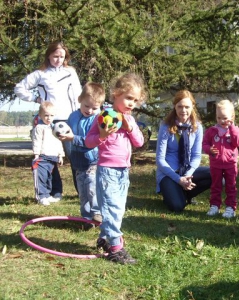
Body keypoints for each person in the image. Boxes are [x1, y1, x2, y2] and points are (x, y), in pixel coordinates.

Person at [85, 73, 146, 264]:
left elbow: (140, 142)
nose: (131, 104)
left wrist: (130, 128)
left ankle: (104, 238)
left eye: (135, 101)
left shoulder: (129, 119)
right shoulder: (104, 117)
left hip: (123, 171)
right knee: (112, 208)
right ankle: (116, 248)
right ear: (116, 94)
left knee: (117, 209)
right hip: (107, 171)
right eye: (128, 98)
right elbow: (88, 141)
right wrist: (102, 135)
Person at [14, 41, 82, 191]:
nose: (59, 60)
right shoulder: (40, 74)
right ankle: (52, 191)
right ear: (49, 56)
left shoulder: (70, 71)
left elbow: (78, 93)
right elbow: (19, 88)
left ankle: (82, 191)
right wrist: (35, 99)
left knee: (75, 157)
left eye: (62, 57)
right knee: (49, 158)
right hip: (50, 121)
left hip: (71, 119)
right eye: (55, 56)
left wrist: (81, 113)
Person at [156, 90, 212, 212]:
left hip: (187, 170)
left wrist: (188, 174)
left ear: (192, 107)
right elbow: (160, 160)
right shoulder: (166, 126)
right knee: (177, 207)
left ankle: (186, 194)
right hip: (169, 173)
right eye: (180, 106)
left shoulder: (197, 127)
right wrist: (178, 179)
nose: (183, 110)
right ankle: (173, 193)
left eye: (187, 107)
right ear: (174, 107)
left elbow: (197, 156)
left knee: (216, 174)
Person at [58, 82, 105, 227]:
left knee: (91, 186)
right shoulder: (73, 117)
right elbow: (67, 132)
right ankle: (86, 218)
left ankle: (97, 212)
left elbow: (90, 141)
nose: (90, 110)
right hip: (78, 161)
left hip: (93, 160)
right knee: (82, 191)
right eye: (87, 106)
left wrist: (73, 138)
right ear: (80, 100)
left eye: (94, 108)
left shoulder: (98, 119)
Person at [202, 100, 239, 218]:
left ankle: (230, 207)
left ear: (232, 117)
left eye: (225, 118)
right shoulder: (212, 131)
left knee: (231, 186)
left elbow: (238, 142)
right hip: (215, 164)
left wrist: (233, 128)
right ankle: (214, 205)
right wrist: (209, 149)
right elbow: (204, 143)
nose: (221, 121)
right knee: (215, 185)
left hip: (230, 164)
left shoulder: (236, 130)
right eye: (218, 117)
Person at [32, 102, 65, 206]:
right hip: (43, 157)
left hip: (53, 157)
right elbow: (36, 141)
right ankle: (42, 196)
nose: (49, 118)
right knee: (41, 177)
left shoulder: (55, 127)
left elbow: (58, 141)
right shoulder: (39, 128)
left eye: (51, 115)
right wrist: (36, 154)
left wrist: (60, 155)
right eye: (46, 115)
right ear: (40, 115)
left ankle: (54, 193)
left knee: (53, 177)